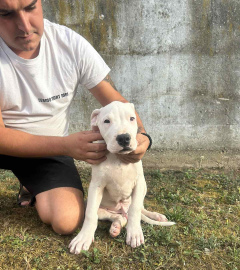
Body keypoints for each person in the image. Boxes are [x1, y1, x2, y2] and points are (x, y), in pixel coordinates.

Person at [0, 0, 151, 235]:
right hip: (19, 142)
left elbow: (117, 103)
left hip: (46, 150)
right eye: (6, 14)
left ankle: (30, 183)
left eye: (30, 7)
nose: (24, 26)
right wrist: (67, 146)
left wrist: (143, 136)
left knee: (67, 221)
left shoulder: (69, 43)